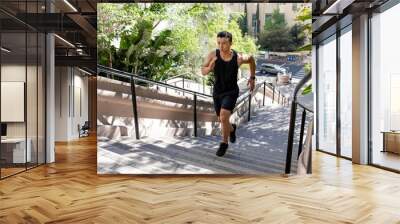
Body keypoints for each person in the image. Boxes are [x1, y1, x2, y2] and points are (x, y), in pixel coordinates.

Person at [201, 31, 256, 157]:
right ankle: (232, 129)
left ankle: (224, 143)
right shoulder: (212, 55)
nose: (221, 46)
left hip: (231, 91)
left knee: (224, 116)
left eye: (224, 43)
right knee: (222, 119)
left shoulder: (238, 58)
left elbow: (252, 60)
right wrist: (209, 68)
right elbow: (203, 71)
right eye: (219, 43)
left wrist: (252, 78)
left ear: (231, 43)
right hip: (217, 91)